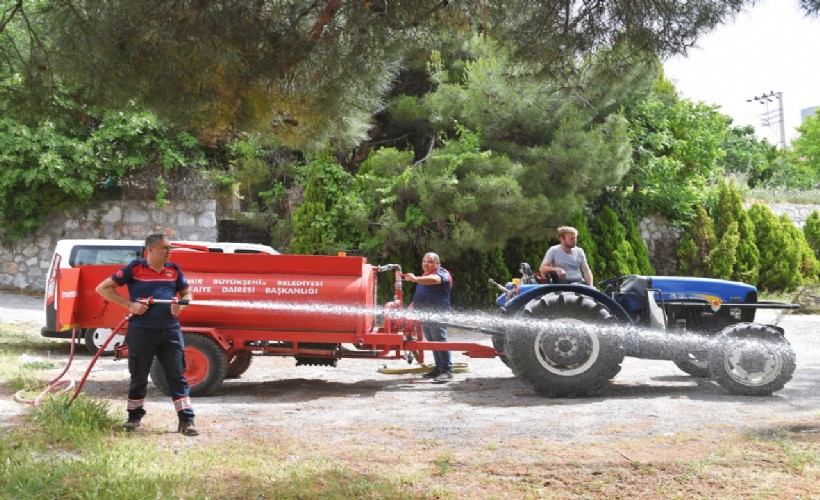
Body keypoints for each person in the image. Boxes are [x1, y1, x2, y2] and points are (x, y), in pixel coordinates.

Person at [96, 233, 198, 436]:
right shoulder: (135, 269)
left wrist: (182, 305)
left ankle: (187, 420)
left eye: (170, 248)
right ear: (149, 250)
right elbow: (103, 288)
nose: (169, 252)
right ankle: (134, 418)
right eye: (165, 248)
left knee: (176, 375)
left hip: (170, 331)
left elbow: (187, 294)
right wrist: (129, 305)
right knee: (139, 375)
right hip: (142, 332)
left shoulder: (173, 270)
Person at [404, 252, 454, 383]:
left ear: (438, 264)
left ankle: (447, 371)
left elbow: (436, 280)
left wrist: (415, 279)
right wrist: (411, 308)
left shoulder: (442, 273)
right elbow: (420, 295)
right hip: (425, 314)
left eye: (430, 261)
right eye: (424, 261)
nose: (426, 264)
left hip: (438, 314)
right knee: (432, 341)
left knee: (439, 340)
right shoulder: (424, 276)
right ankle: (438, 368)